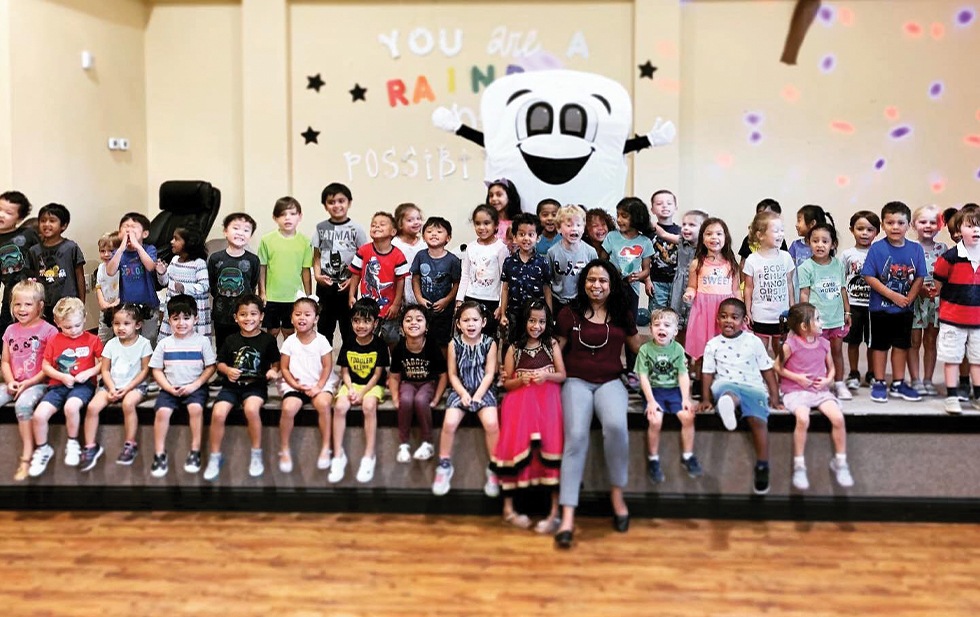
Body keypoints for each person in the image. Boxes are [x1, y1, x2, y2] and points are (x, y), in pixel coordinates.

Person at [553, 260, 641, 549]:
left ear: (611, 284)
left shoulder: (621, 314)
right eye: (591, 280)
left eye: (603, 280)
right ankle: (568, 516)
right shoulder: (569, 313)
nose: (596, 285)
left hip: (611, 381)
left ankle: (617, 497)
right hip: (576, 381)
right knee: (576, 436)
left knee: (616, 427)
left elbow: (639, 349)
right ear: (583, 283)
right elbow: (555, 349)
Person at [494, 299, 565, 533]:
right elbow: (508, 384)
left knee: (550, 450)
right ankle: (508, 509)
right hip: (521, 403)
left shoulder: (551, 344)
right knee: (515, 447)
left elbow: (562, 374)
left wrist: (547, 377)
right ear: (524, 321)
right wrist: (520, 380)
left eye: (542, 321)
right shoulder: (514, 348)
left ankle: (554, 512)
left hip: (547, 402)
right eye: (532, 320)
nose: (536, 326)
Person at [699, 298, 781, 495]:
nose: (729, 321)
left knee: (758, 421)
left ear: (744, 320)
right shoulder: (713, 344)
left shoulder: (753, 342)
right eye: (724, 316)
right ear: (717, 319)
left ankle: (762, 465)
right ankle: (727, 403)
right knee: (727, 391)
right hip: (725, 383)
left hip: (752, 386)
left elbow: (767, 370)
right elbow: (707, 373)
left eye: (734, 317)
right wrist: (705, 399)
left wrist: (775, 396)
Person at [775, 302, 854, 491]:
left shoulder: (824, 344)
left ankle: (840, 462)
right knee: (802, 418)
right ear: (804, 326)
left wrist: (828, 380)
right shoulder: (790, 345)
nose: (821, 322)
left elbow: (832, 367)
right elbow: (777, 366)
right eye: (817, 319)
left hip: (819, 392)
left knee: (837, 417)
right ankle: (799, 465)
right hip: (795, 391)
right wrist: (797, 378)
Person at [205, 294, 281, 481]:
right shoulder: (231, 340)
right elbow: (219, 364)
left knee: (252, 409)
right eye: (243, 314)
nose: (248, 319)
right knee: (219, 412)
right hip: (231, 387)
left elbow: (276, 363)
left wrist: (274, 372)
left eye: (253, 314)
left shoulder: (268, 340)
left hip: (255, 386)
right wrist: (228, 370)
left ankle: (256, 453)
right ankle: (215, 456)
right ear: (236, 317)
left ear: (261, 316)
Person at [28, 297, 104, 477]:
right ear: (57, 323)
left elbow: (103, 363)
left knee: (71, 407)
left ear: (84, 318)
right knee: (39, 415)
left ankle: (72, 442)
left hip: (82, 386)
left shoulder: (93, 340)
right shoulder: (54, 340)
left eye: (77, 325)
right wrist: (61, 376)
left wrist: (90, 373)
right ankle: (43, 448)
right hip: (57, 386)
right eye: (67, 327)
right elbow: (46, 366)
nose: (73, 331)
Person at [432, 301, 500, 497]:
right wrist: (462, 393)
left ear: (483, 322)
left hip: (483, 389)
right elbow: (452, 374)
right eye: (466, 320)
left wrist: (478, 395)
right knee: (450, 422)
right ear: (459, 324)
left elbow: (489, 374)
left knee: (491, 423)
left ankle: (494, 467)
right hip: (460, 388)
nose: (471, 324)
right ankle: (444, 465)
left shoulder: (490, 343)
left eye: (475, 320)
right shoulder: (454, 344)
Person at [861, 201, 927, 403]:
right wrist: (893, 296)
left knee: (901, 346)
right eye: (890, 223)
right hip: (879, 310)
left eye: (900, 223)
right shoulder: (876, 249)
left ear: (908, 225)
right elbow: (869, 277)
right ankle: (879, 381)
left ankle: (898, 382)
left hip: (904, 310)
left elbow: (920, 277)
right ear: (883, 225)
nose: (895, 227)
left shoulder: (916, 249)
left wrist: (909, 299)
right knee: (880, 347)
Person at [149, 294, 217, 478]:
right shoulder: (164, 344)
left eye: (186, 318)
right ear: (168, 320)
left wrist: (195, 385)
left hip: (195, 388)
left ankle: (195, 451)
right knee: (162, 412)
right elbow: (156, 370)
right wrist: (168, 387)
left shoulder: (202, 341)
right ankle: (159, 454)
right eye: (176, 318)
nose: (181, 323)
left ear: (195, 319)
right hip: (170, 388)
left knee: (195, 409)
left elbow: (210, 368)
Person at [80, 304, 152, 471]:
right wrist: (111, 388)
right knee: (92, 407)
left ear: (138, 325)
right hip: (111, 385)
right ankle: (90, 446)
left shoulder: (144, 344)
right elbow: (104, 369)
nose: (121, 328)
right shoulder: (111, 344)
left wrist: (127, 389)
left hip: (134, 386)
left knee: (128, 404)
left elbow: (145, 372)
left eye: (126, 323)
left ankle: (130, 444)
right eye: (116, 324)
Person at [0, 280, 57, 481]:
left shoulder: (49, 331)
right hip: (14, 382)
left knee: (23, 405)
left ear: (40, 306)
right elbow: (5, 361)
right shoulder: (10, 331)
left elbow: (50, 366)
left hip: (39, 383)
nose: (21, 309)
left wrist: (29, 383)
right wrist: (10, 381)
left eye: (28, 304)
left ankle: (27, 454)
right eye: (17, 304)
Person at [636, 308, 700, 484]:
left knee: (688, 416)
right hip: (653, 390)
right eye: (657, 325)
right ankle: (653, 459)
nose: (661, 328)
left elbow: (683, 375)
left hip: (673, 391)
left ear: (675, 331)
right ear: (650, 329)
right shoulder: (645, 350)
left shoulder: (678, 349)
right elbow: (643, 377)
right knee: (655, 420)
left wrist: (686, 398)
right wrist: (650, 401)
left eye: (666, 325)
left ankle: (687, 456)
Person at [329, 298, 389, 484]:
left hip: (372, 386)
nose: (360, 325)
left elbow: (378, 374)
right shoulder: (348, 342)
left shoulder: (380, 345)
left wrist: (362, 394)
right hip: (352, 384)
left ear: (375, 323)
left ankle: (369, 455)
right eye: (356, 321)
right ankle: (338, 455)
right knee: (339, 407)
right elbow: (344, 371)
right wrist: (350, 389)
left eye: (366, 321)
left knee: (369, 407)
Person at [278, 297, 337, 472]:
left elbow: (327, 366)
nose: (302, 318)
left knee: (324, 404)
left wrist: (318, 386)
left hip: (320, 384)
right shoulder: (289, 342)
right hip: (296, 385)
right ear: (291, 318)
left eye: (307, 314)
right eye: (298, 314)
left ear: (316, 319)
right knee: (288, 408)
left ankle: (326, 447)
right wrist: (295, 386)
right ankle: (284, 448)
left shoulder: (322, 340)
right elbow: (284, 368)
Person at [932, 206, 980, 413]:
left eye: (979, 226)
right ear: (959, 230)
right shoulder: (950, 257)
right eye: (970, 226)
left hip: (978, 322)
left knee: (977, 360)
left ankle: (977, 395)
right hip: (953, 320)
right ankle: (952, 396)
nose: (976, 230)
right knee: (952, 358)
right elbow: (939, 283)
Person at [798, 223, 851, 400]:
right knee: (818, 353)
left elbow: (843, 289)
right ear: (808, 243)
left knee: (836, 351)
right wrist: (806, 318)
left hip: (836, 318)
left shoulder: (838, 265)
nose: (820, 245)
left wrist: (847, 312)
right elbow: (804, 293)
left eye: (825, 241)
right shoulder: (806, 267)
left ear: (833, 244)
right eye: (815, 241)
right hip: (817, 322)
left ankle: (839, 383)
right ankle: (820, 384)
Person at [603, 197, 653, 385]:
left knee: (629, 328)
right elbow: (603, 261)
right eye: (618, 215)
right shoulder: (611, 237)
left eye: (624, 216)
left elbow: (647, 269)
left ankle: (632, 370)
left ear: (636, 217)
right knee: (610, 325)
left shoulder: (645, 242)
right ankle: (610, 365)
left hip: (631, 290)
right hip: (612, 289)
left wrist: (638, 276)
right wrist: (613, 275)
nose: (620, 220)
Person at [388, 305, 447, 464]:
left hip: (428, 383)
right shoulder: (399, 348)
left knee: (421, 400)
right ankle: (404, 444)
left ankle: (427, 442)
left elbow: (443, 376)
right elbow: (394, 377)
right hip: (408, 382)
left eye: (419, 320)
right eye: (408, 320)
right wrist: (394, 397)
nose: (413, 323)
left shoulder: (432, 346)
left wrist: (436, 399)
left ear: (426, 326)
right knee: (405, 400)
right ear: (402, 328)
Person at [312, 182, 367, 348]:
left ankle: (348, 365)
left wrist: (353, 281)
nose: (336, 205)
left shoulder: (356, 229)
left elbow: (364, 258)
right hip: (325, 286)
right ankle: (324, 364)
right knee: (324, 327)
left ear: (349, 202)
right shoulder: (321, 228)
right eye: (331, 202)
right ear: (325, 206)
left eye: (341, 201)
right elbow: (316, 256)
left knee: (348, 327)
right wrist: (317, 275)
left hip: (347, 286)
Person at [682, 217, 741, 363]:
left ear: (725, 238)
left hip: (726, 311)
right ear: (702, 238)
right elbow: (692, 286)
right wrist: (689, 293)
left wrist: (742, 308)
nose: (714, 237)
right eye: (709, 234)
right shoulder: (697, 264)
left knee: (726, 346)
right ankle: (701, 378)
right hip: (704, 311)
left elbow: (736, 290)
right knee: (703, 346)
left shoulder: (731, 264)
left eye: (719, 234)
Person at [349, 211, 409, 346]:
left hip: (389, 307)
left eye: (382, 224)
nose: (376, 227)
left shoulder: (398, 255)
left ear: (393, 232)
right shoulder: (363, 251)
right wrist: (351, 295)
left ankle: (392, 363)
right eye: (373, 225)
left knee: (391, 336)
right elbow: (356, 273)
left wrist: (396, 304)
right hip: (368, 305)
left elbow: (401, 281)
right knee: (368, 335)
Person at [258, 196, 313, 339]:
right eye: (282, 214)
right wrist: (262, 292)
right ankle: (272, 361)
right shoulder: (267, 240)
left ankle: (287, 360)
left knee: (289, 332)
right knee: (272, 332)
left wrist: (308, 295)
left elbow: (305, 270)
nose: (287, 218)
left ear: (300, 216)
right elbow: (262, 267)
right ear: (275, 218)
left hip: (294, 297)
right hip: (272, 296)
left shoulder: (305, 242)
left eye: (292, 214)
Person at [741, 210, 794, 358]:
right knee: (760, 349)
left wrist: (792, 307)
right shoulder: (752, 260)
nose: (780, 234)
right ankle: (760, 377)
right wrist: (748, 310)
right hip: (761, 314)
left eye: (782, 230)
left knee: (781, 349)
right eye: (775, 231)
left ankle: (780, 376)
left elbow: (789, 284)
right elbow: (748, 288)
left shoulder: (786, 257)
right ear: (760, 235)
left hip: (782, 314)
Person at [907, 205, 947, 396]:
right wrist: (917, 288)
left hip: (935, 302)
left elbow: (946, 275)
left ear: (939, 226)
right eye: (923, 222)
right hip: (915, 300)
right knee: (914, 342)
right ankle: (915, 380)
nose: (928, 226)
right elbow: (903, 273)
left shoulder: (943, 249)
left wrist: (938, 289)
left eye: (933, 222)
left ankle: (928, 380)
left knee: (930, 341)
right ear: (914, 225)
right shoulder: (908, 247)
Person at [106, 212, 160, 344]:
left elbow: (150, 266)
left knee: (149, 339)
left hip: (149, 304)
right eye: (125, 227)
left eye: (133, 226)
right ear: (119, 233)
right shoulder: (118, 253)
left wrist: (138, 247)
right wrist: (120, 249)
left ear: (145, 234)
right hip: (127, 306)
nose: (129, 230)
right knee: (128, 338)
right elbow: (110, 271)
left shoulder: (149, 249)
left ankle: (148, 363)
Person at [28, 203, 85, 324]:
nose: (47, 224)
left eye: (52, 221)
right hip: (44, 304)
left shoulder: (71, 247)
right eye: (43, 220)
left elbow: (80, 276)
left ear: (63, 225)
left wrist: (81, 302)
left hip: (68, 304)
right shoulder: (34, 251)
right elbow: (32, 277)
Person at [841, 211, 879, 390]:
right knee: (853, 341)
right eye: (860, 228)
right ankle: (854, 373)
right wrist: (845, 307)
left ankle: (872, 373)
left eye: (870, 229)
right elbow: (842, 281)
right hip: (854, 306)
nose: (864, 233)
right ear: (851, 230)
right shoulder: (847, 254)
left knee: (872, 342)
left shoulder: (879, 253)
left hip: (874, 306)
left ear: (877, 232)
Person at [208, 212, 260, 344]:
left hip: (245, 314)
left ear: (250, 236)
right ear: (225, 231)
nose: (240, 233)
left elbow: (252, 283)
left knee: (244, 344)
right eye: (236, 228)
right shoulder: (215, 258)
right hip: (221, 314)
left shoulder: (253, 260)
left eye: (246, 230)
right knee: (223, 346)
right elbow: (212, 283)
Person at [457, 204, 508, 339]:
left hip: (492, 300)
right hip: (471, 298)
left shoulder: (501, 248)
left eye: (486, 223)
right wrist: (459, 299)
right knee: (470, 336)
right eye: (477, 223)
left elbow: (505, 280)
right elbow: (465, 275)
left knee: (489, 339)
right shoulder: (471, 247)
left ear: (496, 224)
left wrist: (501, 306)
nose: (481, 228)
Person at [411, 216, 461, 349]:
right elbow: (415, 278)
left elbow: (457, 283)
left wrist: (446, 300)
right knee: (422, 337)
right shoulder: (420, 256)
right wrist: (419, 298)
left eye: (439, 232)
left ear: (448, 238)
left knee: (442, 341)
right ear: (423, 236)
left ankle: (443, 368)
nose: (434, 234)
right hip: (424, 307)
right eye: (429, 231)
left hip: (444, 309)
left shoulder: (453, 260)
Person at [500, 212, 551, 340]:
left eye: (531, 234)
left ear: (538, 238)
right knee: (511, 343)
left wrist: (549, 314)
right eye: (521, 234)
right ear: (515, 237)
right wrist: (502, 314)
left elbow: (547, 289)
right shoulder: (509, 262)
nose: (526, 238)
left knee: (533, 343)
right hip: (513, 313)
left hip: (535, 315)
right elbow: (505, 289)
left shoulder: (543, 262)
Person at [157, 227, 210, 337]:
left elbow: (204, 286)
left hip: (190, 311)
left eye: (176, 239)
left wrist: (184, 288)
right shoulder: (174, 260)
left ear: (189, 243)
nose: (172, 242)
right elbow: (165, 282)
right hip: (174, 308)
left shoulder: (198, 263)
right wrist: (161, 272)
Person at [0, 191, 39, 336]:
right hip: (11, 294)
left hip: (33, 291)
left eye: (8, 212)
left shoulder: (28, 234)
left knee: (33, 328)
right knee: (6, 328)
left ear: (20, 217)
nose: (1, 215)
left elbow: (41, 257)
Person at [547, 204, 597, 316]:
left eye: (578, 225)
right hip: (558, 301)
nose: (574, 228)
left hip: (581, 300)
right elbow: (547, 281)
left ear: (584, 228)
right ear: (559, 228)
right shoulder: (552, 252)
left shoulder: (590, 252)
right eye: (569, 225)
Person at [669, 209, 707, 339]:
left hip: (697, 287)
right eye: (684, 224)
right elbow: (663, 233)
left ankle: (693, 356)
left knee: (694, 322)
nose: (685, 228)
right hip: (680, 288)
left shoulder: (707, 248)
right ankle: (681, 354)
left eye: (692, 225)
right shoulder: (681, 242)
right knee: (678, 324)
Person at [646, 189, 680, 310]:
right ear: (652, 210)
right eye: (659, 204)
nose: (665, 206)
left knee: (676, 316)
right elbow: (645, 260)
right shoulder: (649, 233)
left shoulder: (681, 232)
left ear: (676, 207)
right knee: (657, 314)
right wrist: (647, 280)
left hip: (678, 283)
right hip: (657, 282)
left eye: (669, 203)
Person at [789, 205, 833, 299]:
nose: (796, 225)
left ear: (812, 223)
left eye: (799, 220)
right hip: (799, 295)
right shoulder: (795, 246)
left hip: (819, 296)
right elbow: (788, 271)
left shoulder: (822, 248)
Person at [737, 198, 788, 270]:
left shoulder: (779, 240)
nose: (763, 218)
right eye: (760, 214)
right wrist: (743, 281)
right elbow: (743, 263)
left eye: (767, 215)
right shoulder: (749, 240)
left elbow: (785, 263)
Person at [392, 202, 425, 306]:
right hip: (401, 288)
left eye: (418, 219)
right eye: (410, 220)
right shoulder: (394, 244)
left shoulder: (424, 243)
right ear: (400, 224)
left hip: (420, 288)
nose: (416, 222)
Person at [94, 231, 122, 343]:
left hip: (121, 308)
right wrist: (102, 302)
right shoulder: (101, 268)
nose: (106, 254)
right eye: (102, 251)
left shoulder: (122, 267)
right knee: (103, 337)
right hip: (106, 309)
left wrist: (119, 301)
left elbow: (126, 287)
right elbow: (98, 286)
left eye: (111, 251)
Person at [486, 178, 521, 249]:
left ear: (509, 196)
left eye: (499, 195)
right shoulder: (487, 223)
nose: (494, 199)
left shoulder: (518, 222)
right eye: (491, 195)